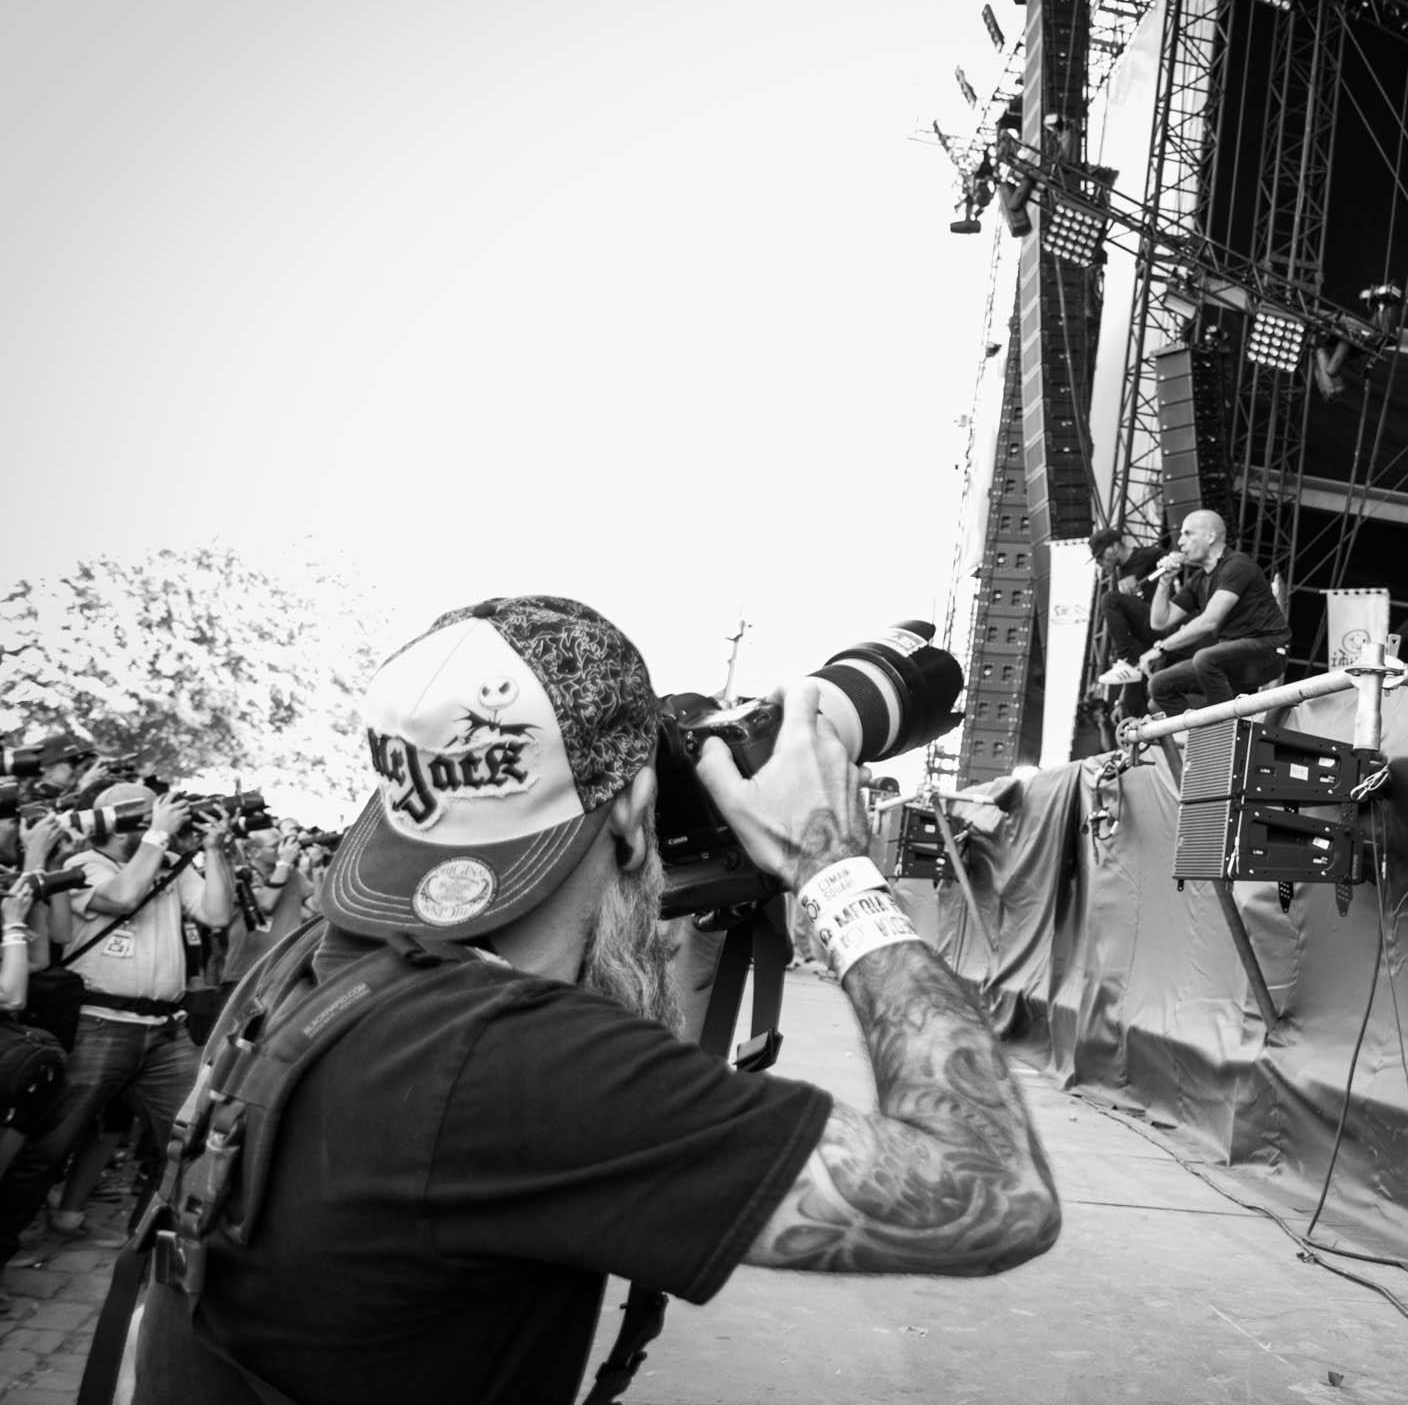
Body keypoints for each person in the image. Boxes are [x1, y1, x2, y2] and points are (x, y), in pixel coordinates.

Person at [131, 594, 1060, 1404]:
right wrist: (833, 869)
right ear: (631, 807)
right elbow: (989, 1193)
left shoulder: (312, 965)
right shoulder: (509, 1063)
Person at [0, 785, 234, 1269]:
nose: (159, 821)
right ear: (117, 822)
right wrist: (156, 836)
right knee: (49, 1145)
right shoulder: (84, 865)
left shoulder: (166, 861)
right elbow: (123, 897)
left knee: (193, 1134)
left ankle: (150, 1238)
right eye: (143, 815)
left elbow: (217, 913)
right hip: (99, 1025)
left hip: (165, 1030)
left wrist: (214, 852)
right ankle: (3, 1245)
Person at [1135, 511, 1290, 716]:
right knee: (1159, 685)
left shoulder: (1237, 565)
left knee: (1205, 658)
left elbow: (1209, 621)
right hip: (1230, 656)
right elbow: (1159, 621)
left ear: (1210, 537)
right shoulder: (1198, 580)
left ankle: (1225, 730)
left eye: (1187, 534)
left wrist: (1161, 648)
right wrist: (1165, 581)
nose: (1180, 542)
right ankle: (1199, 740)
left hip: (1268, 650)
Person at [1087, 526, 1166, 717]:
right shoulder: (1119, 576)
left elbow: (1180, 563)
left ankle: (1126, 660)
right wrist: (1121, 699)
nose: (1100, 562)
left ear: (1114, 547)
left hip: (1164, 620)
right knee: (1130, 705)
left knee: (1109, 599)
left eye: (1100, 556)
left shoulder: (1149, 555)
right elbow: (1124, 631)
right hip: (1146, 636)